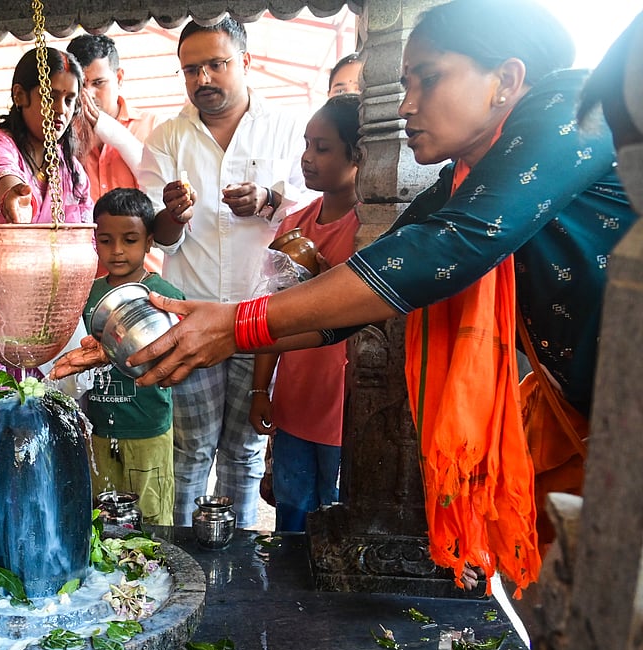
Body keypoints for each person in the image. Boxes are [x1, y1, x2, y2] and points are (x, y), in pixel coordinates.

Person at [55, 0, 635, 595]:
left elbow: (440, 251)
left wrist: (235, 325)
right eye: (406, 84)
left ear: (506, 80)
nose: (405, 105)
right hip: (594, 413)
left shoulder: (573, 109)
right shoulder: (466, 181)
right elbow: (361, 296)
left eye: (428, 80)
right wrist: (167, 335)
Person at [136, 17, 308, 530]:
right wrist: (172, 213)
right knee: (191, 450)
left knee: (245, 451)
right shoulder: (167, 138)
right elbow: (157, 234)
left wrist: (271, 201)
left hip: (264, 319)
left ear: (246, 62)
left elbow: (318, 211)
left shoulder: (288, 129)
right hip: (190, 318)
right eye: (191, 70)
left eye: (216, 64)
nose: (203, 79)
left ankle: (241, 567)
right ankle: (188, 558)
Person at [0, 47, 92, 429]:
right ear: (19, 96)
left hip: (46, 318)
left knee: (46, 428)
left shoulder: (70, 170)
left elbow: (79, 237)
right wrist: (14, 196)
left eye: (70, 99)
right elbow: (1, 175)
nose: (61, 109)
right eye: (49, 96)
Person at [249, 94, 361, 533]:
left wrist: (324, 274)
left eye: (323, 147)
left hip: (344, 404)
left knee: (337, 521)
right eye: (306, 144)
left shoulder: (372, 227)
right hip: (296, 398)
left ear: (359, 155)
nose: (307, 158)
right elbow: (269, 312)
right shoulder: (295, 223)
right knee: (291, 518)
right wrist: (261, 389)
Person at [83, 188, 183, 526]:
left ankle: (157, 574)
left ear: (150, 241)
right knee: (102, 515)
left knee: (151, 515)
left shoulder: (165, 297)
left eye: (129, 240)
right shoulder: (88, 294)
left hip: (147, 429)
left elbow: (182, 357)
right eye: (106, 241)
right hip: (99, 428)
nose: (117, 251)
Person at [66, 33, 163, 276]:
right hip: (85, 278)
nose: (88, 95)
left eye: (98, 83)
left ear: (119, 77)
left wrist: (105, 127)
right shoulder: (63, 136)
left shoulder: (152, 127)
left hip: (147, 276)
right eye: (81, 84)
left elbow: (158, 191)